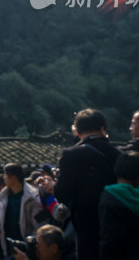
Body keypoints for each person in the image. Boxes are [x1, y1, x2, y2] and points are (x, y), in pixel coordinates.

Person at [54, 108, 121, 260]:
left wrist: (54, 186)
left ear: (77, 131)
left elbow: (62, 193)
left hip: (86, 223)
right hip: (115, 220)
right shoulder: (118, 154)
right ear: (103, 129)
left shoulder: (71, 154)